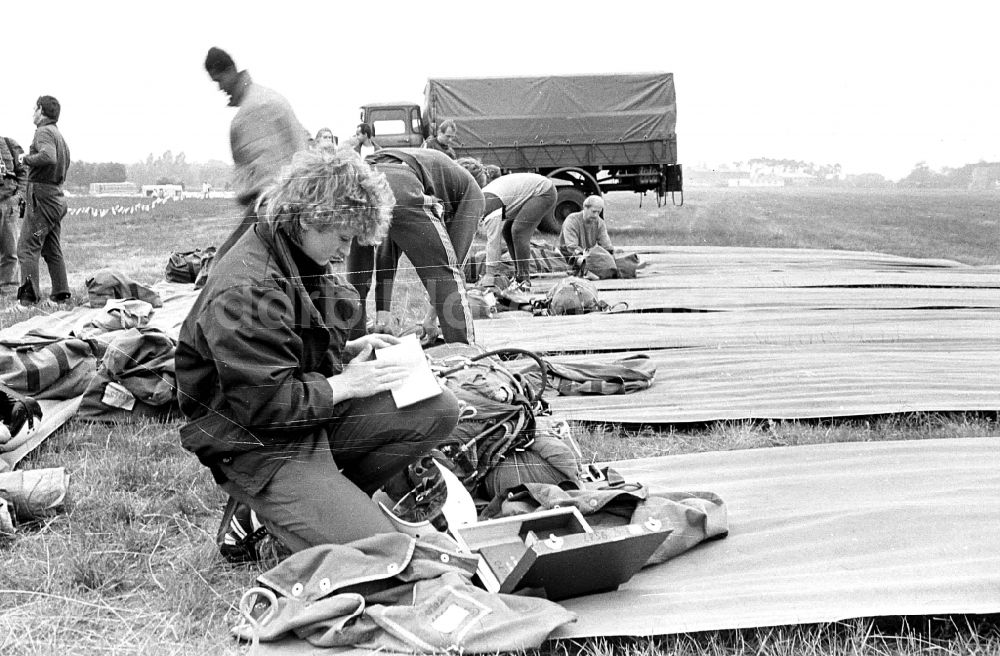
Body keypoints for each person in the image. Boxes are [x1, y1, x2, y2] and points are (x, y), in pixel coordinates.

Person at [175, 148, 460, 553]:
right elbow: (265, 404)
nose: (346, 251)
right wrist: (345, 385)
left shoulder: (295, 250)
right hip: (254, 443)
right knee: (384, 551)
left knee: (437, 408)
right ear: (310, 217)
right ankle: (277, 508)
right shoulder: (247, 289)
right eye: (344, 238)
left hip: (300, 417)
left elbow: (291, 348)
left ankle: (316, 503)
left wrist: (347, 354)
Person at [347, 147, 484, 345]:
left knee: (357, 278)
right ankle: (465, 354)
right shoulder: (474, 193)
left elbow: (387, 254)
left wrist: (383, 316)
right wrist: (430, 318)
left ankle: (356, 347)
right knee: (445, 275)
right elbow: (451, 271)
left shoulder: (435, 166)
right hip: (401, 182)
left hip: (363, 176)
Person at [203, 46, 307, 259]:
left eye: (219, 80)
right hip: (296, 211)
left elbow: (267, 190)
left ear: (231, 70)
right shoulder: (266, 98)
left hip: (283, 216)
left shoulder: (254, 110)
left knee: (227, 264)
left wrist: (226, 254)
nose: (220, 88)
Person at [16, 96, 71, 307]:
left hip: (42, 202)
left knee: (27, 246)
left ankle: (27, 300)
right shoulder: (59, 136)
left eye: (34, 108)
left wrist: (25, 159)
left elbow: (49, 157)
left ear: (41, 111)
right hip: (55, 202)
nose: (32, 112)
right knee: (50, 246)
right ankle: (60, 295)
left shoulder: (44, 132)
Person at [479, 172, 557, 291]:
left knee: (519, 231)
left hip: (543, 192)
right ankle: (519, 276)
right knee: (507, 232)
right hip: (528, 191)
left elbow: (493, 242)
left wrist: (490, 274)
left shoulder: (488, 206)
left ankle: (524, 281)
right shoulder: (478, 201)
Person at [0, 135, 28, 293]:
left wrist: (18, 197)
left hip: (8, 203)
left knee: (10, 250)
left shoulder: (9, 145)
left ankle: (8, 288)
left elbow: (24, 172)